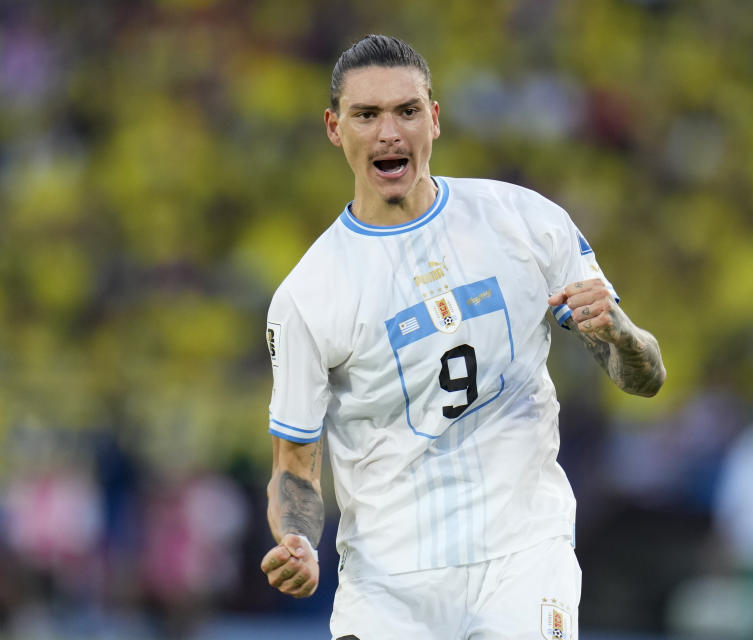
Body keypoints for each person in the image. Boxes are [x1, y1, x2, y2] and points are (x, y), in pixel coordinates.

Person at [259, 34, 666, 639]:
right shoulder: (308, 294)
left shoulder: (524, 223)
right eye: (366, 115)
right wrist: (295, 539)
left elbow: (645, 377)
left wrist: (622, 333)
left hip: (523, 557)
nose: (389, 133)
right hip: (390, 582)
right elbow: (295, 467)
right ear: (333, 127)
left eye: (407, 110)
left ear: (435, 119)